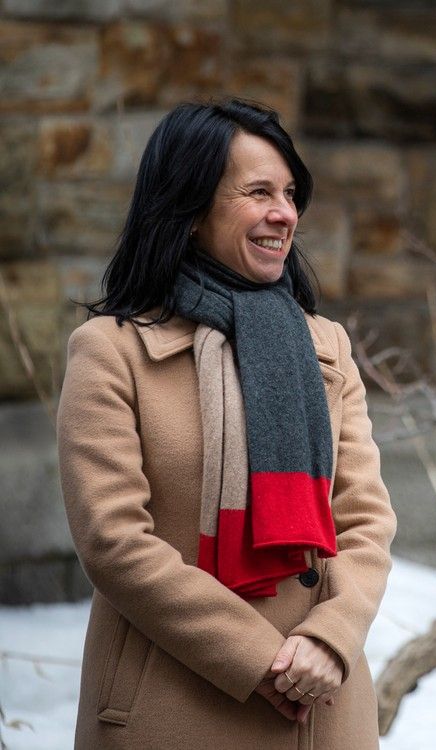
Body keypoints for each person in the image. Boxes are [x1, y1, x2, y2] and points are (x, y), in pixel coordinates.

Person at [56, 98, 397, 750]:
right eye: (259, 192)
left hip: (321, 698)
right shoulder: (113, 351)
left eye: (291, 193)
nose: (285, 214)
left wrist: (330, 637)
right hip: (174, 699)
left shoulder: (324, 346)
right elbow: (114, 542)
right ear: (189, 210)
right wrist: (258, 660)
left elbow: (364, 520)